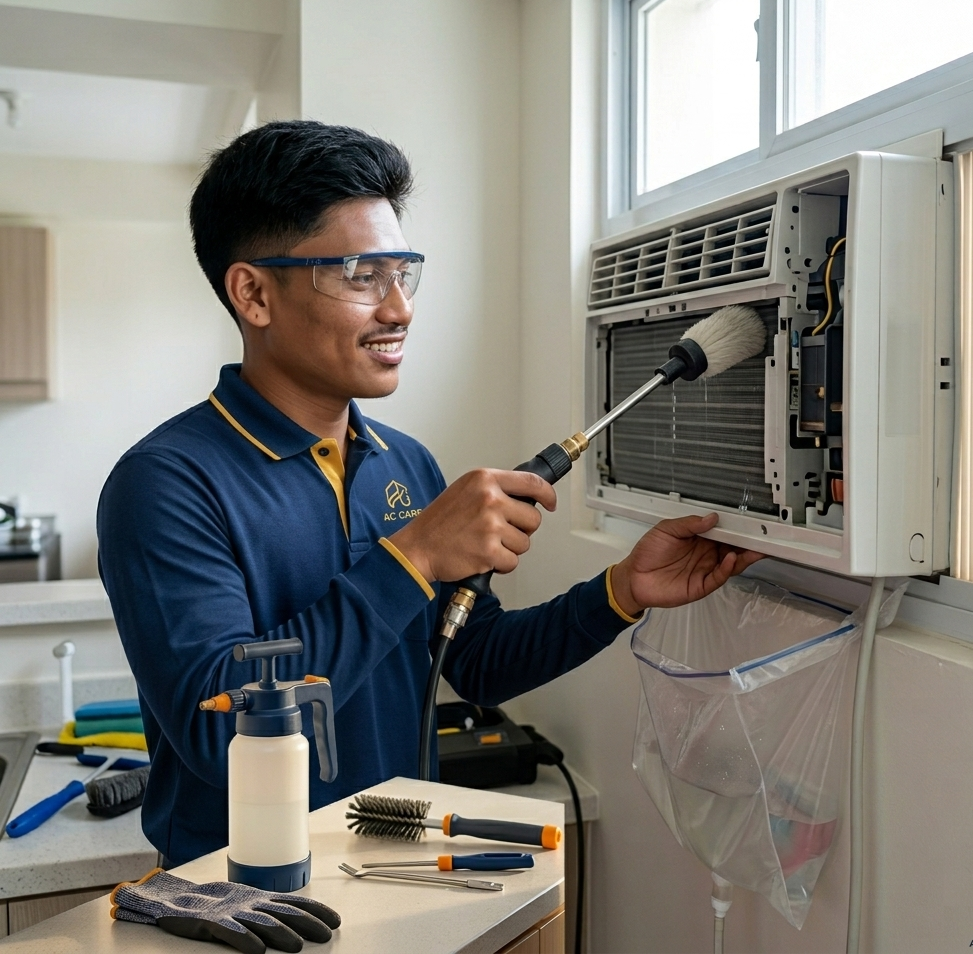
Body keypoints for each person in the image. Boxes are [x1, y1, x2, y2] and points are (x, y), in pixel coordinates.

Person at [97, 121, 762, 867]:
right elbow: (223, 734)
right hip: (246, 903)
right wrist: (411, 556)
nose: (399, 308)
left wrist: (618, 592)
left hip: (398, 870)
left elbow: (474, 661)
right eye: (359, 275)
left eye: (402, 272)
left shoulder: (403, 465)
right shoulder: (166, 483)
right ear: (253, 293)